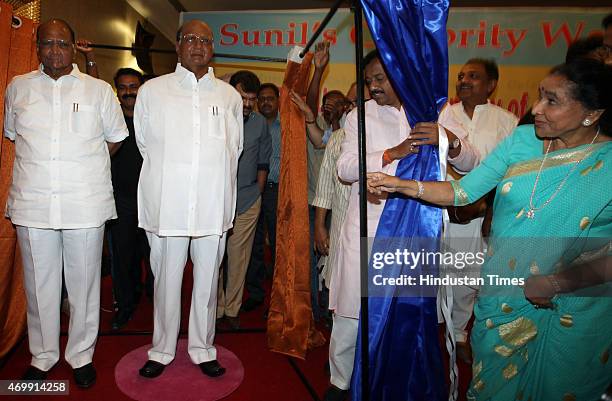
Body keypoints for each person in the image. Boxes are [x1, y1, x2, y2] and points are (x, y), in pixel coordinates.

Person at [367, 58, 612, 401]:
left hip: (578, 309)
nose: (536, 108)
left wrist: (558, 282)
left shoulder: (607, 164)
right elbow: (462, 191)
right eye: (539, 96)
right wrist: (399, 184)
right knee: (492, 387)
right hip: (505, 294)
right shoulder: (522, 141)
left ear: (592, 114)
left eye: (552, 101)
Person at [324, 49, 456, 401]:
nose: (373, 86)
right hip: (367, 226)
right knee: (352, 314)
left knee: (405, 311)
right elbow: (346, 168)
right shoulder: (360, 117)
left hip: (414, 231)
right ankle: (339, 383)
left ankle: (391, 381)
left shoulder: (430, 112)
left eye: (380, 78)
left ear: (401, 72)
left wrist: (452, 142)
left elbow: (470, 161)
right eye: (369, 80)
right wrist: (392, 153)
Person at [4, 18, 128, 387]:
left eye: (62, 44)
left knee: (84, 284)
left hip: (84, 202)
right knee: (40, 286)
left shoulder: (99, 90)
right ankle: (42, 357)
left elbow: (116, 139)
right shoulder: (18, 87)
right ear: (37, 47)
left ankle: (80, 356)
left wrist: (83, 166)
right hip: (33, 202)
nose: (54, 50)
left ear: (74, 47)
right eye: (47, 44)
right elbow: (13, 135)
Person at [134, 19, 243, 379]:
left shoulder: (229, 96)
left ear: (213, 48)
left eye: (206, 40)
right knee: (165, 279)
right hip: (169, 205)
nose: (198, 45)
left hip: (212, 205)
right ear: (178, 45)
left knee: (209, 281)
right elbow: (144, 144)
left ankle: (202, 347)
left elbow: (235, 149)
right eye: (190, 38)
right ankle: (162, 349)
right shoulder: (153, 90)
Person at [438, 58, 518, 364]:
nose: (464, 81)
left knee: (468, 276)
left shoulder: (507, 122)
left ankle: (459, 334)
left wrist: (491, 212)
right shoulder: (444, 114)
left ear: (491, 85)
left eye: (473, 76)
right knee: (434, 271)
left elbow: (512, 173)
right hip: (442, 210)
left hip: (480, 216)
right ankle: (432, 330)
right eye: (460, 76)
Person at [217, 70, 271, 329]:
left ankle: (231, 309)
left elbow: (263, 159)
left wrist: (258, 190)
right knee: (213, 257)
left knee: (239, 258)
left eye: (252, 99)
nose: (248, 104)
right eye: (243, 97)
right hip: (216, 199)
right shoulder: (216, 116)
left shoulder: (260, 123)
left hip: (249, 198)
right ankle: (214, 308)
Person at [108, 67, 151, 330]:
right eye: (122, 87)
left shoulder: (152, 120)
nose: (128, 92)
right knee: (123, 257)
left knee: (153, 256)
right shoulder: (111, 122)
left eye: (133, 86)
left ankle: (157, 303)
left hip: (151, 200)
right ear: (117, 91)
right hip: (120, 200)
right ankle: (124, 306)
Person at [243, 83, 280, 312]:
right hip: (254, 190)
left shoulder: (286, 126)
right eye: (262, 99)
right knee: (254, 244)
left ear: (278, 100)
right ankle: (255, 292)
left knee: (277, 243)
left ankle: (277, 297)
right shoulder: (251, 123)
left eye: (270, 98)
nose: (265, 102)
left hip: (277, 191)